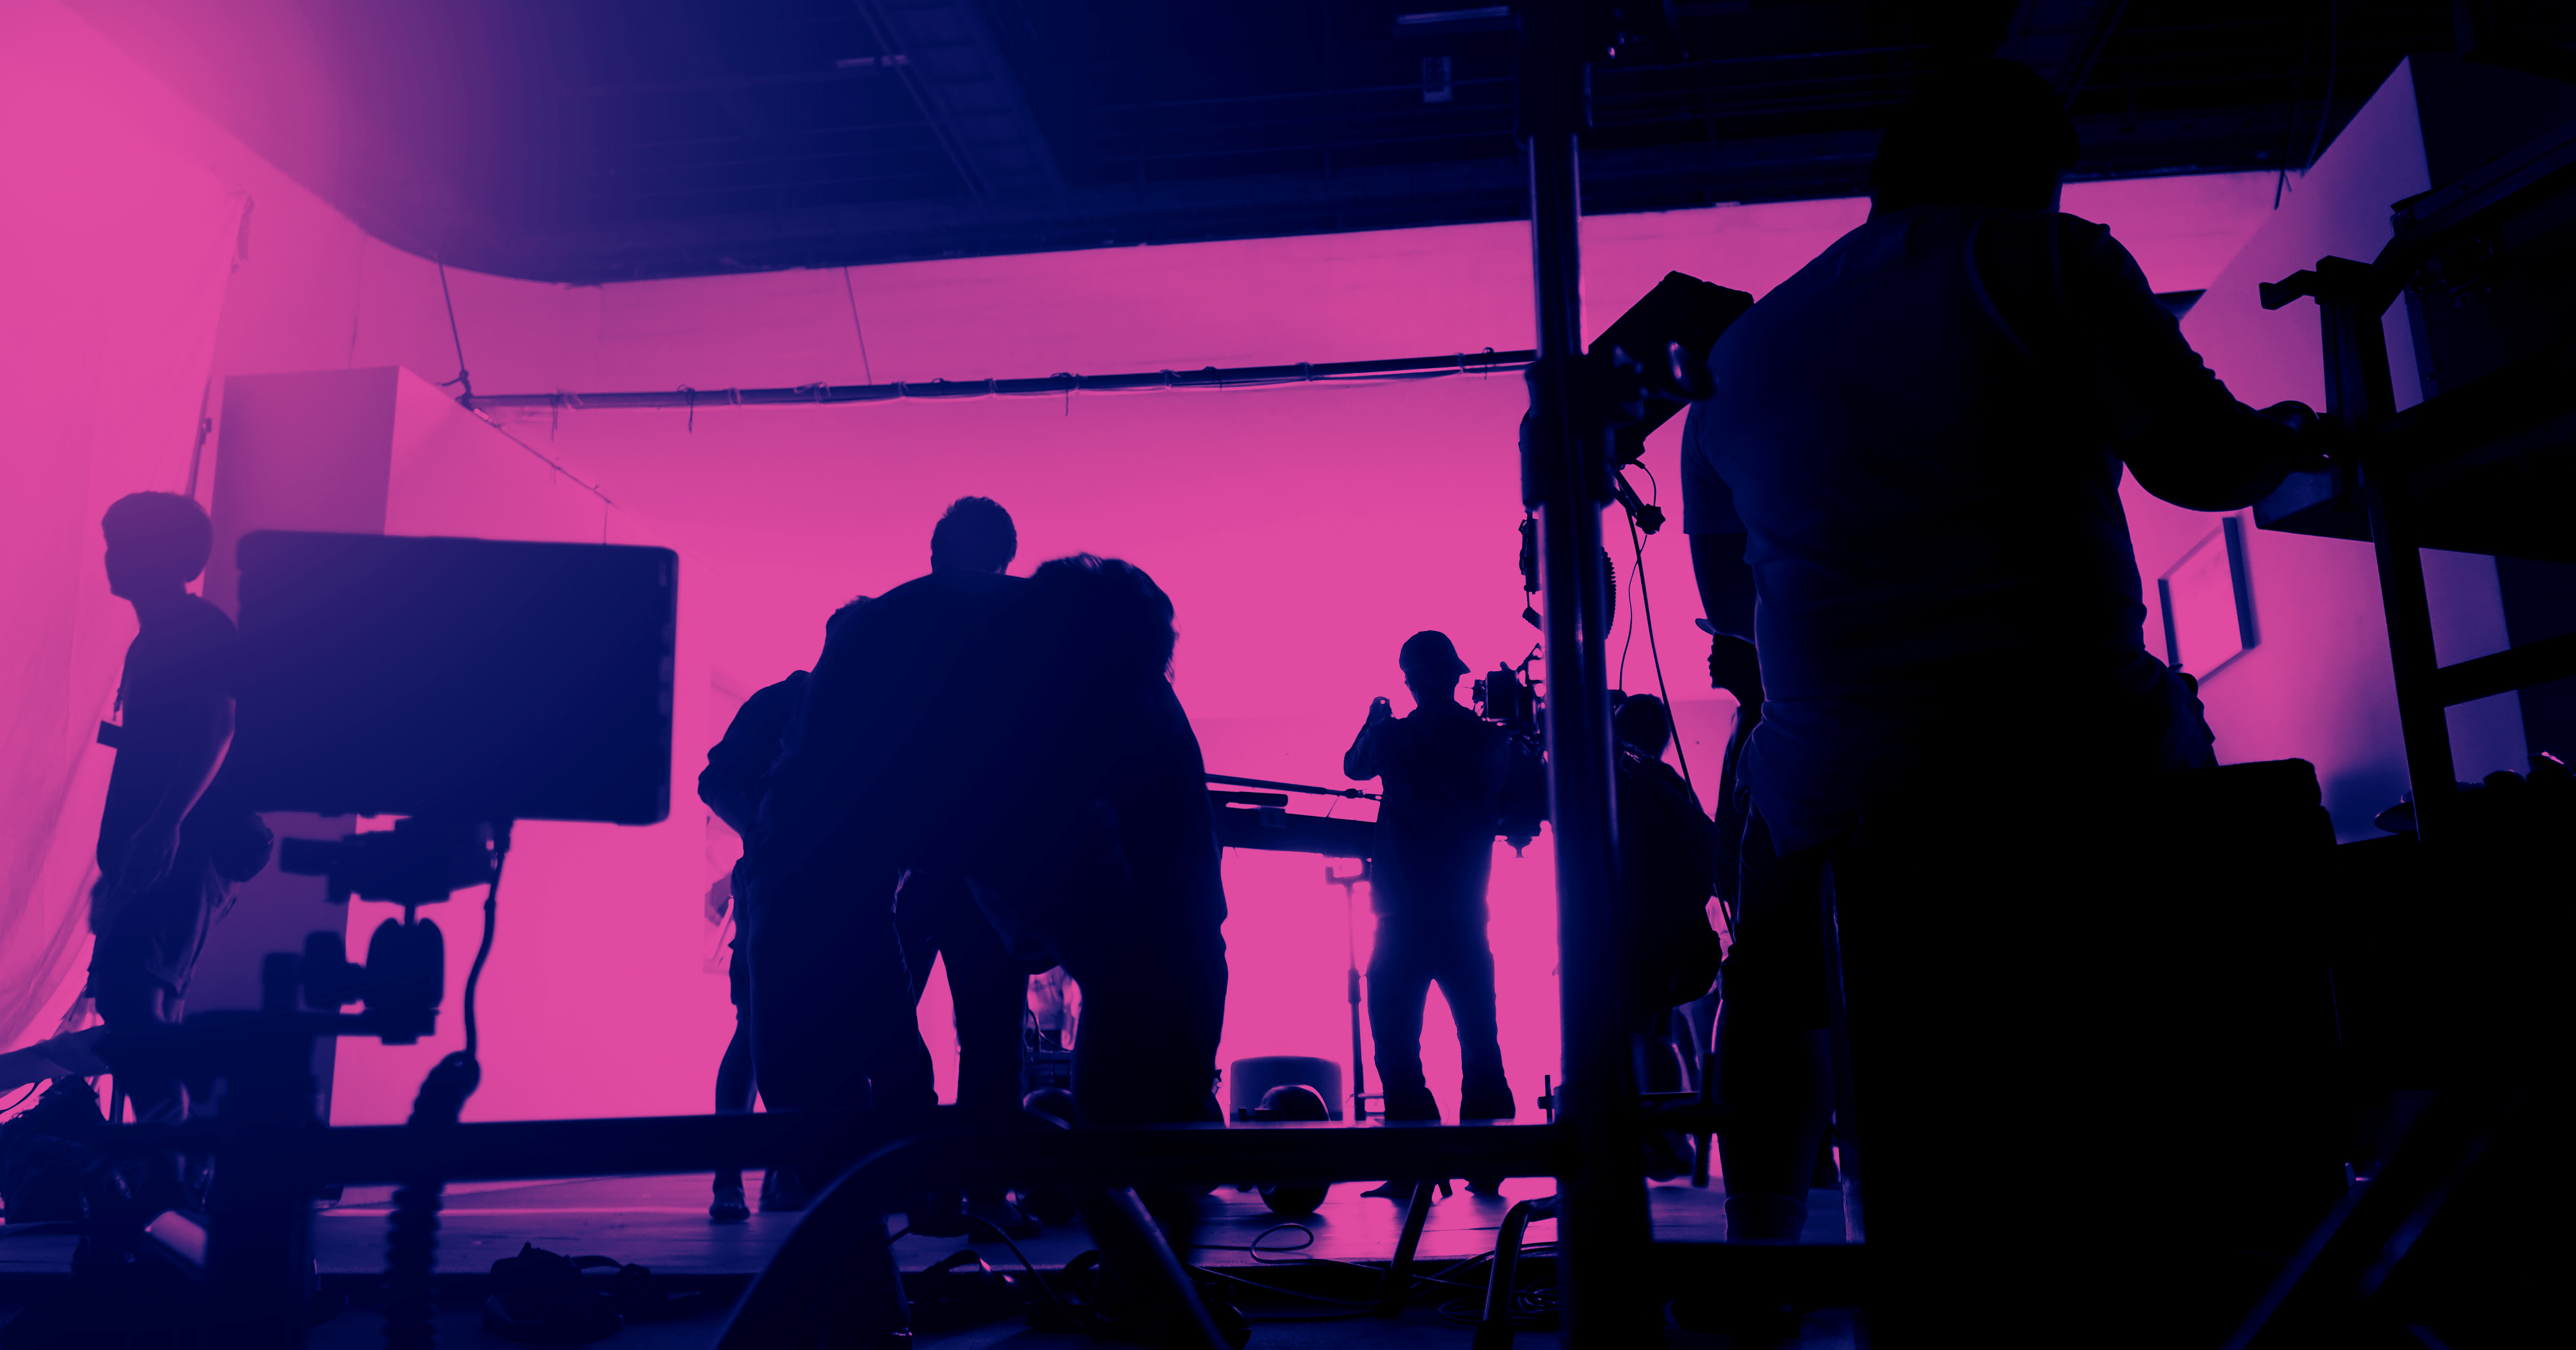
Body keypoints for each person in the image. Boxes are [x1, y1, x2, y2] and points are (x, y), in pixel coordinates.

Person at [1678, 59, 2327, 1344]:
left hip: (1843, 805)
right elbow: (2203, 461)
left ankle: (1761, 1258)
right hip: (2069, 766)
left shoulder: (1741, 359)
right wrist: (2301, 431)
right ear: (2027, 169)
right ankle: (2265, 1244)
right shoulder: (2045, 257)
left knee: (1775, 924)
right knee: (2250, 849)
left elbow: (1738, 631)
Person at [747, 500, 1029, 1195]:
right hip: (870, 878)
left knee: (872, 1059)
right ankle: (943, 1198)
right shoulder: (970, 627)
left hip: (850, 879)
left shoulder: (889, 628)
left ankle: (899, 1207)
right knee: (911, 1053)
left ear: (935, 549)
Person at [85, 493, 268, 1194]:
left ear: (161, 558)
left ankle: (182, 1154)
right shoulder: (152, 638)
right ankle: (172, 1170)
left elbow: (216, 726)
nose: (110, 556)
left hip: (191, 842)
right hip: (157, 847)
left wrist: (166, 825)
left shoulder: (195, 629)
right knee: (141, 999)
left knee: (135, 997)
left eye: (122, 543)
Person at [1343, 630, 1513, 1193]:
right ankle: (1486, 1166)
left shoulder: (1395, 737)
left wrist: (1375, 718)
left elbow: (1354, 766)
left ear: (1411, 680)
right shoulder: (1489, 741)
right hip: (1466, 917)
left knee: (1396, 1044)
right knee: (1480, 1040)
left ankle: (1417, 1169)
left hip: (1401, 919)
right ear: (1458, 675)